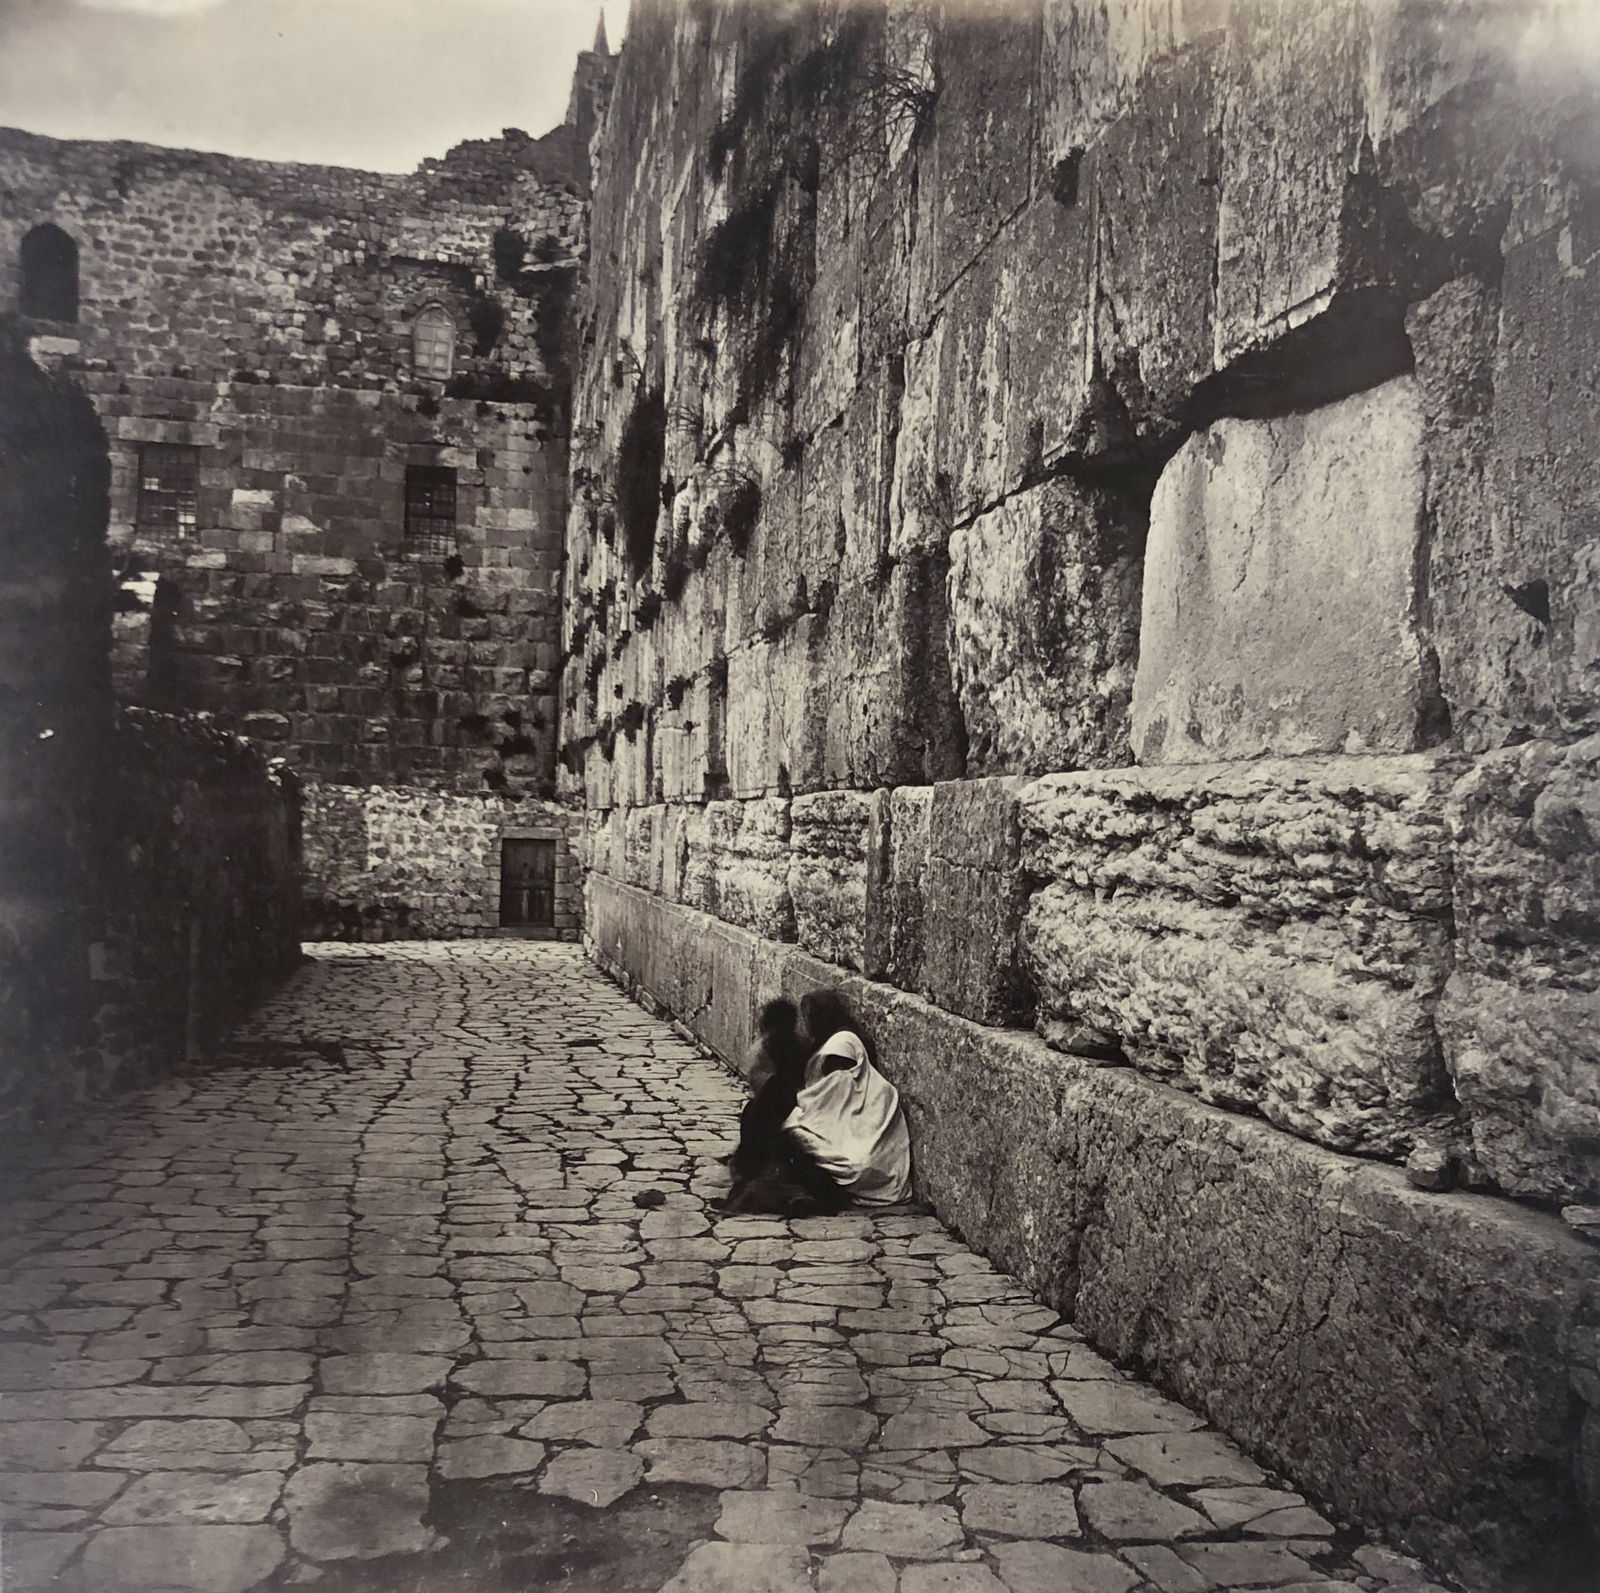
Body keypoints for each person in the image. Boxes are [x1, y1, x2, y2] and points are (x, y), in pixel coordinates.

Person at [784, 989, 913, 1207]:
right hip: (846, 1128)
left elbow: (833, 1096)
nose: (806, 1025)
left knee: (794, 1130)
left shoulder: (841, 1045)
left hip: (857, 1143)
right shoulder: (833, 1044)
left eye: (810, 1018)